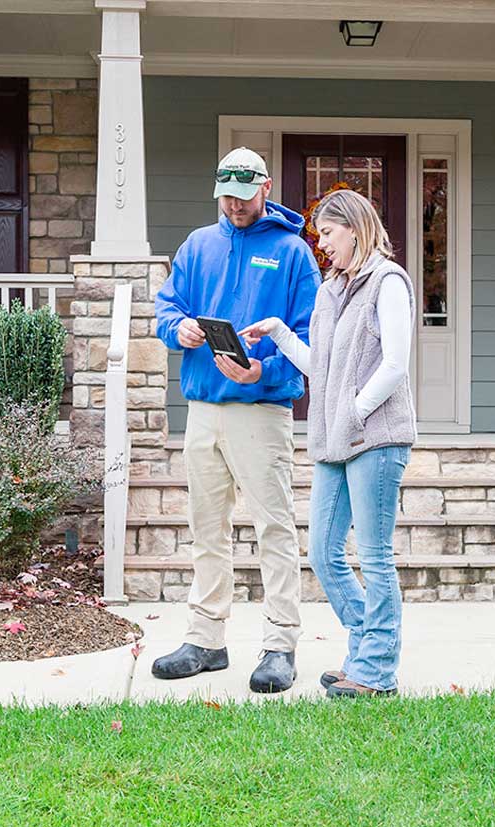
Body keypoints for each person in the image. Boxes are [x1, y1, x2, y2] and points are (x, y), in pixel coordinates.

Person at [152, 147, 321, 693]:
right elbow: (167, 306)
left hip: (261, 411)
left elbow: (309, 339)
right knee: (207, 529)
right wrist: (177, 330)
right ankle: (205, 639)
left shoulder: (294, 254)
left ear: (265, 189)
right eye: (226, 195)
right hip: (202, 409)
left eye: (244, 197)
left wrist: (263, 372)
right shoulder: (197, 245)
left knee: (274, 527)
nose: (234, 205)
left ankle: (280, 644)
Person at [239, 188, 416, 697]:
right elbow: (324, 367)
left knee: (376, 556)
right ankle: (365, 649)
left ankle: (376, 670)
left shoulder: (388, 283)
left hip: (375, 438)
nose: (323, 247)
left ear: (355, 228)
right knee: (322, 552)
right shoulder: (332, 289)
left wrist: (355, 411)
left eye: (329, 235)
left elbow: (396, 365)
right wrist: (277, 332)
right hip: (334, 440)